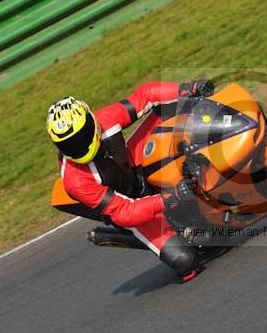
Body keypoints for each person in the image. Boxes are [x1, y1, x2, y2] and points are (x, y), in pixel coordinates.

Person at [46, 79, 215, 282]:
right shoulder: (75, 180)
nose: (78, 146)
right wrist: (170, 197)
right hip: (128, 206)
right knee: (186, 262)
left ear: (91, 121)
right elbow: (124, 212)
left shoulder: (105, 119)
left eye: (81, 137)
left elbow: (146, 95)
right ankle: (139, 234)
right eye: (69, 144)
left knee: (180, 104)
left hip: (135, 167)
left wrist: (187, 88)